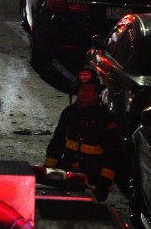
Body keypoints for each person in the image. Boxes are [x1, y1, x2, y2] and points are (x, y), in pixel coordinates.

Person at [44, 69, 120, 202]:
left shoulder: (106, 119)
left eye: (90, 89)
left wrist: (104, 182)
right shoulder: (69, 113)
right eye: (83, 89)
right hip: (67, 171)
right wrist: (48, 170)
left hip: (93, 176)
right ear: (77, 91)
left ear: (96, 92)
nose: (86, 93)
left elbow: (113, 154)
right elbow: (57, 142)